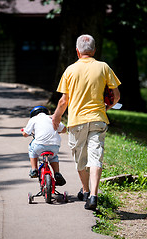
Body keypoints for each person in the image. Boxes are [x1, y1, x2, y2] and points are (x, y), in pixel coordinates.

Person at [52, 34, 121, 210]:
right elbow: (117, 95)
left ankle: (85, 189)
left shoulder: (70, 70)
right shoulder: (103, 67)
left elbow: (63, 101)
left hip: (77, 122)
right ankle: (93, 196)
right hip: (98, 120)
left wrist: (56, 117)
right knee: (96, 158)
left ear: (77, 51)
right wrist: (106, 108)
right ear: (94, 50)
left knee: (80, 160)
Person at [22, 105, 66, 186]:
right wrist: (57, 131)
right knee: (53, 157)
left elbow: (25, 134)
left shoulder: (34, 119)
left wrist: (23, 132)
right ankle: (57, 173)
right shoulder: (52, 118)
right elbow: (64, 129)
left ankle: (34, 169)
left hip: (39, 146)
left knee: (32, 149)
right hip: (55, 146)